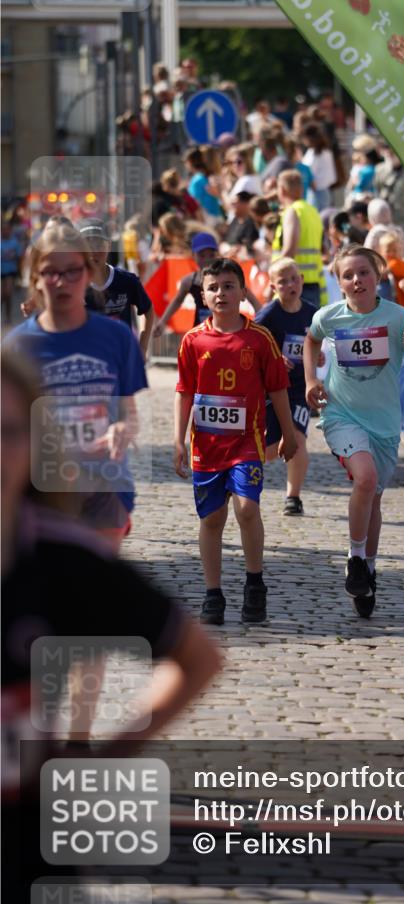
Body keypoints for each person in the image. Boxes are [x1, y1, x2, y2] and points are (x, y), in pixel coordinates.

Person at [1, 349, 221, 896]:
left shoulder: (63, 560)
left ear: (33, 447)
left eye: (6, 432)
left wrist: (110, 757)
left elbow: (197, 659)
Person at [304, 246, 404, 618]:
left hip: (385, 424)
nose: (356, 280)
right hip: (342, 415)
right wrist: (311, 379)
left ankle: (368, 568)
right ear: (339, 281)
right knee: (365, 478)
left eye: (363, 273)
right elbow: (311, 339)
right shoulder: (329, 316)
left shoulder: (397, 317)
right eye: (348, 275)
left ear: (378, 276)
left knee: (373, 497)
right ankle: (355, 558)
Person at [5, 222, 147, 554]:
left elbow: (130, 416)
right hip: (42, 491)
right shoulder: (17, 346)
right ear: (35, 279)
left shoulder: (117, 338)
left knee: (96, 592)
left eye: (72, 271)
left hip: (104, 485)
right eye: (51, 272)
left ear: (88, 272)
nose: (62, 281)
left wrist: (121, 430)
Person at [174, 258, 297, 626]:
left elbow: (277, 388)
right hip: (206, 446)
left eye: (229, 286)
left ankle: (254, 583)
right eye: (213, 287)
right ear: (203, 295)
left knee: (246, 509)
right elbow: (184, 392)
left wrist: (288, 434)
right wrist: (177, 440)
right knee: (212, 518)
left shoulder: (259, 339)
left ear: (243, 291)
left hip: (247, 443)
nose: (221, 293)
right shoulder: (192, 340)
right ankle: (213, 594)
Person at [255, 258, 322, 515]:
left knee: (297, 438)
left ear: (302, 281)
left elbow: (315, 345)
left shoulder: (312, 313)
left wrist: (318, 356)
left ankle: (293, 498)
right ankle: (239, 474)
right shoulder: (268, 315)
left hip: (298, 389)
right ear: (273, 286)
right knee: (271, 450)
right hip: (272, 389)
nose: (290, 285)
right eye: (283, 281)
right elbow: (252, 344)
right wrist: (273, 358)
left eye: (294, 279)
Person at [79, 218, 154, 360]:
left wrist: (143, 347)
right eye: (88, 245)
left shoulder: (127, 281)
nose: (93, 251)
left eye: (98, 244)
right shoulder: (74, 284)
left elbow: (148, 311)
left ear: (108, 246)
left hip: (121, 356)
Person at [273, 169, 327, 308]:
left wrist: (273, 279)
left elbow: (290, 250)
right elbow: (322, 247)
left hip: (292, 284)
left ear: (282, 189)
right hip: (311, 282)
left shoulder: (292, 211)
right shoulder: (313, 211)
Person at [152, 231, 219, 338]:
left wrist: (256, 318)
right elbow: (177, 301)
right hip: (201, 333)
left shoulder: (226, 277)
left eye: (211, 255)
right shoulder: (190, 280)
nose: (207, 259)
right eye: (202, 255)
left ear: (217, 255)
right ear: (193, 256)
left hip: (223, 332)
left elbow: (247, 294)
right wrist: (162, 321)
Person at [300, 123, 337, 211]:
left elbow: (309, 172)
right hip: (321, 190)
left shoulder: (316, 154)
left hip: (317, 192)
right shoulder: (325, 152)